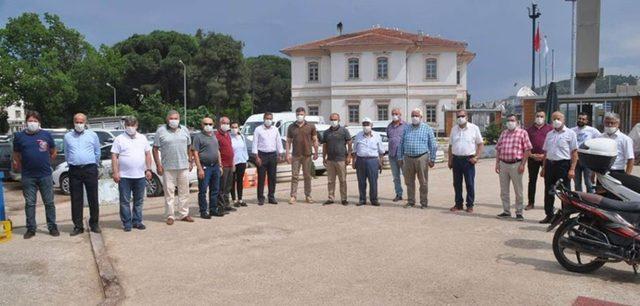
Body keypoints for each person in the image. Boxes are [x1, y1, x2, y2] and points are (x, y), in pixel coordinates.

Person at [13, 111, 59, 239]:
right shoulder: (19, 136)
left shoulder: (46, 135)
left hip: (45, 175)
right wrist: (18, 164)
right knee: (30, 203)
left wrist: (47, 161)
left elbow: (53, 151)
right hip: (28, 176)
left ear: (39, 122)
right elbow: (16, 154)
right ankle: (31, 228)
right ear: (26, 122)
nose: (32, 123)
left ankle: (52, 227)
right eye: (30, 120)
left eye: (35, 120)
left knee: (49, 202)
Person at [111, 116, 153, 231]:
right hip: (124, 176)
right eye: (128, 125)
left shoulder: (142, 138)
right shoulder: (119, 139)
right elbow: (114, 156)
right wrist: (115, 172)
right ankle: (127, 223)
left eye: (132, 125)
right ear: (125, 126)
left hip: (140, 175)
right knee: (124, 201)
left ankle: (137, 221)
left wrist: (148, 169)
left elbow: (148, 154)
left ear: (137, 126)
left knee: (139, 200)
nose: (130, 127)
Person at [153, 110, 194, 225]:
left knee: (184, 191)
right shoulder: (161, 131)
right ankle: (170, 215)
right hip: (168, 167)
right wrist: (158, 165)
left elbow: (189, 146)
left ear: (179, 119)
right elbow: (155, 149)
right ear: (167, 119)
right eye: (171, 118)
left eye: (176, 118)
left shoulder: (184, 129)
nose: (174, 120)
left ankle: (184, 214)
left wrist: (190, 161)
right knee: (169, 192)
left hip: (183, 166)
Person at [64, 113, 101, 235]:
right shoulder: (68, 136)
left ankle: (94, 224)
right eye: (77, 121)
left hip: (90, 169)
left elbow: (97, 152)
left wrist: (93, 164)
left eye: (81, 122)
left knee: (93, 197)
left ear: (85, 122)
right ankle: (78, 226)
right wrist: (72, 163)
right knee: (76, 199)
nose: (79, 124)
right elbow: (67, 153)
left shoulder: (93, 135)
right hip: (74, 170)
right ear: (73, 122)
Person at [539, 111, 578, 224]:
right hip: (550, 165)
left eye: (558, 118)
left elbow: (574, 153)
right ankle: (549, 215)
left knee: (564, 192)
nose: (556, 121)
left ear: (563, 120)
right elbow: (546, 153)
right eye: (554, 119)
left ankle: (565, 217)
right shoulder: (549, 134)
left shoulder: (570, 134)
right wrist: (544, 168)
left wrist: (572, 169)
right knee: (549, 191)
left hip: (563, 165)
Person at [494, 114, 532, 221]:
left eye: (512, 120)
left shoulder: (522, 133)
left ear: (517, 122)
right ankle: (506, 211)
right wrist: (497, 163)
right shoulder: (504, 133)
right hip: (503, 164)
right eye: (509, 120)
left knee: (518, 190)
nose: (510, 122)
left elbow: (527, 150)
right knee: (504, 190)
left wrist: (523, 164)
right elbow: (498, 149)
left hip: (516, 164)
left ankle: (519, 212)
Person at [397, 109, 437, 209]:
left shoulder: (427, 128)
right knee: (409, 181)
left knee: (423, 181)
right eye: (413, 115)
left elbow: (433, 145)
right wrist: (400, 157)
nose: (414, 117)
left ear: (421, 117)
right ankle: (411, 201)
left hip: (422, 157)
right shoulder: (406, 128)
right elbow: (401, 144)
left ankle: (423, 202)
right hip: (408, 158)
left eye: (416, 115)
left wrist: (432, 159)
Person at [448, 110, 484, 213]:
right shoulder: (454, 129)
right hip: (456, 159)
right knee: (457, 184)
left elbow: (480, 144)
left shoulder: (474, 128)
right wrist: (450, 160)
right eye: (458, 116)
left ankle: (470, 205)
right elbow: (450, 146)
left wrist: (476, 157)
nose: (460, 118)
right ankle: (458, 204)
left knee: (470, 183)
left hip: (468, 160)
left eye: (462, 116)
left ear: (467, 117)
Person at [191, 117, 223, 219]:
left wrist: (220, 165)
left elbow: (217, 151)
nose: (208, 126)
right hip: (205, 167)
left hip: (215, 166)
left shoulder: (214, 135)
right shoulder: (198, 137)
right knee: (203, 190)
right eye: (206, 124)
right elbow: (195, 153)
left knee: (215, 189)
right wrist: (200, 168)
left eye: (210, 124)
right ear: (202, 125)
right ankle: (203, 211)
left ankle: (213, 209)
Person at [286, 107, 319, 204]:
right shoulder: (291, 127)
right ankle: (293, 196)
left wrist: (316, 152)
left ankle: (308, 195)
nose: (299, 116)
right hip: (296, 155)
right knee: (294, 176)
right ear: (295, 115)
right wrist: (287, 154)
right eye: (298, 114)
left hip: (307, 154)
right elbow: (288, 141)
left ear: (305, 114)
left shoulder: (311, 126)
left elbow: (315, 140)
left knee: (307, 176)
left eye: (301, 114)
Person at [252, 112, 284, 205]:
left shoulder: (275, 129)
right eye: (267, 118)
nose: (268, 120)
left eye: (270, 118)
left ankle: (271, 197)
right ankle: (261, 198)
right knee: (261, 177)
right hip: (262, 155)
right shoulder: (258, 129)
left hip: (272, 155)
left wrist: (280, 153)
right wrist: (256, 156)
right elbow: (255, 143)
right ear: (263, 119)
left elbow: (278, 142)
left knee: (272, 177)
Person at [352, 117, 384, 206]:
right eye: (364, 124)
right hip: (360, 160)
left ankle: (374, 199)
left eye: (367, 124)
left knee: (373, 181)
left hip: (373, 160)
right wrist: (354, 161)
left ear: (371, 125)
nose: (366, 126)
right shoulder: (358, 135)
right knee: (361, 181)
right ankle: (362, 199)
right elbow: (354, 150)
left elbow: (381, 151)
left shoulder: (377, 136)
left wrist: (380, 162)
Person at [321, 113, 352, 205]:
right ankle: (331, 198)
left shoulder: (344, 131)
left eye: (335, 119)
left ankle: (344, 198)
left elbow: (349, 143)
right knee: (330, 180)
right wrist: (323, 157)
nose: (333, 121)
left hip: (341, 159)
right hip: (330, 160)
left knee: (342, 180)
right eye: (331, 119)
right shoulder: (326, 132)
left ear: (339, 120)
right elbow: (324, 146)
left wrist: (349, 156)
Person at [525, 111, 553, 210]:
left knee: (548, 181)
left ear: (545, 118)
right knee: (532, 181)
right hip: (532, 158)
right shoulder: (529, 130)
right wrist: (531, 155)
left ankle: (549, 205)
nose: (539, 118)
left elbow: (552, 144)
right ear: (534, 117)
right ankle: (530, 203)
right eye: (537, 116)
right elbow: (526, 145)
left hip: (546, 158)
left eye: (541, 116)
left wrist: (543, 155)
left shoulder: (550, 129)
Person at [571, 112, 600, 193]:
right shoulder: (572, 131)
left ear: (587, 121)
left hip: (588, 160)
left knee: (588, 182)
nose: (581, 120)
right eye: (579, 118)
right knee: (577, 183)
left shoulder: (593, 131)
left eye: (583, 119)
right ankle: (579, 201)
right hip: (575, 160)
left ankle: (591, 201)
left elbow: (600, 140)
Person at [215, 116, 236, 212]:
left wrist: (233, 163)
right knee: (221, 187)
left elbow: (231, 149)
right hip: (223, 165)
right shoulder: (217, 135)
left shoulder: (228, 135)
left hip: (230, 164)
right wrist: (220, 165)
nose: (226, 125)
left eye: (228, 123)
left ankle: (227, 204)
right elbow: (217, 151)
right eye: (224, 123)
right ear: (220, 124)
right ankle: (220, 206)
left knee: (228, 186)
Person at [386, 108, 406, 202]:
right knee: (396, 176)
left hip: (403, 155)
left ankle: (411, 195)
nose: (395, 115)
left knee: (407, 175)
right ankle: (399, 194)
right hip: (392, 155)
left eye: (396, 113)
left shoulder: (406, 126)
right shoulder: (389, 126)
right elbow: (389, 138)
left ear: (400, 114)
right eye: (393, 114)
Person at [230, 122, 248, 207]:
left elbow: (244, 149)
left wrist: (246, 160)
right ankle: (234, 199)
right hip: (233, 162)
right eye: (233, 127)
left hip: (242, 161)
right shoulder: (229, 137)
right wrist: (231, 162)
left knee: (240, 180)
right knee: (232, 181)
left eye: (236, 127)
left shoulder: (241, 136)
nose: (234, 129)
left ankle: (240, 199)